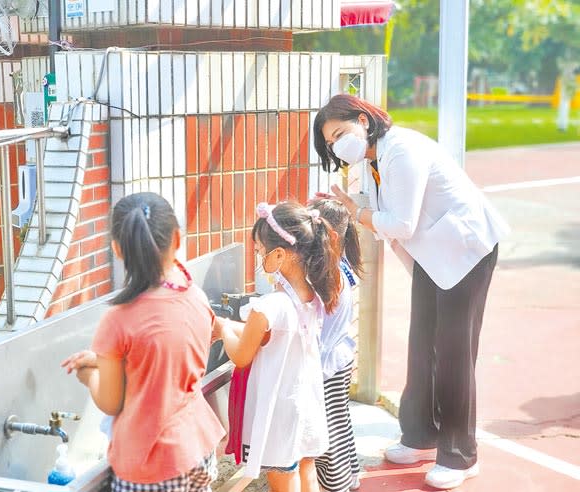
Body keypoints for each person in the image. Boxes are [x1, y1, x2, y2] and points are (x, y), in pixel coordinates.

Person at [313, 94, 510, 490]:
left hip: (466, 250)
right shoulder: (371, 161)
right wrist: (352, 210)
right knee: (422, 345)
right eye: (330, 143)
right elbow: (378, 217)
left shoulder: (401, 150)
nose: (337, 145)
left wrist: (357, 212)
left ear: (363, 120)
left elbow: (399, 223)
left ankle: (460, 453)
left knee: (455, 352)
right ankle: (421, 436)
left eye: (339, 133)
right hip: (434, 256)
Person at [61, 192, 225, 492]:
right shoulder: (196, 297)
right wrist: (103, 359)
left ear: (117, 249)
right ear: (177, 239)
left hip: (149, 463)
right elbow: (167, 357)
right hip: (197, 449)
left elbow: (111, 402)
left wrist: (89, 375)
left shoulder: (118, 318)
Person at [212, 201, 340, 492]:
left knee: (283, 477)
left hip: (280, 407)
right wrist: (230, 329)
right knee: (306, 470)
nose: (258, 257)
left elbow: (242, 355)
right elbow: (273, 338)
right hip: (306, 401)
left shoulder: (270, 305)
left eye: (259, 251)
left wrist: (222, 328)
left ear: (279, 254)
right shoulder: (312, 294)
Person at [308, 198, 363, 492]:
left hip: (326, 365)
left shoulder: (326, 274)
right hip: (340, 358)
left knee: (326, 433)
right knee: (339, 421)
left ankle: (336, 484)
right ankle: (350, 475)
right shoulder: (340, 264)